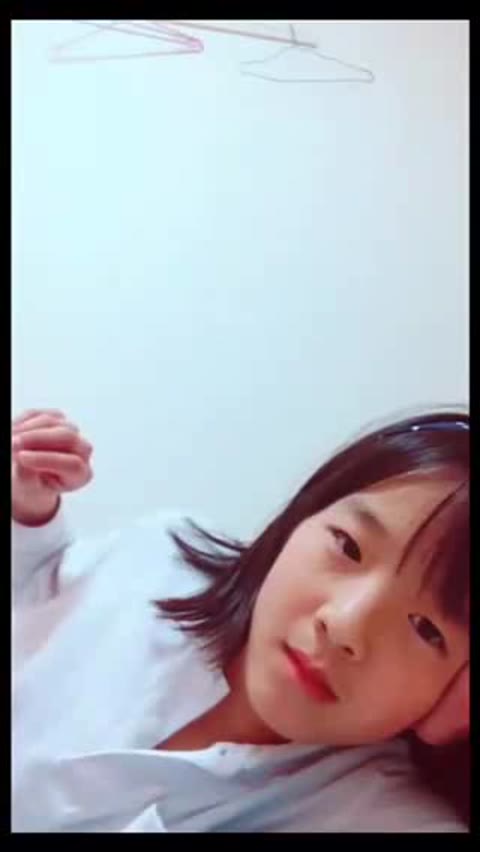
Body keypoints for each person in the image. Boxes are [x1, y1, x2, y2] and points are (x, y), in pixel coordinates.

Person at [12, 407, 470, 832]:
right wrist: (25, 510)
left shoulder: (382, 817)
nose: (344, 625)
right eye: (348, 546)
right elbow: (34, 591)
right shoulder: (158, 555)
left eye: (426, 630)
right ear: (303, 515)